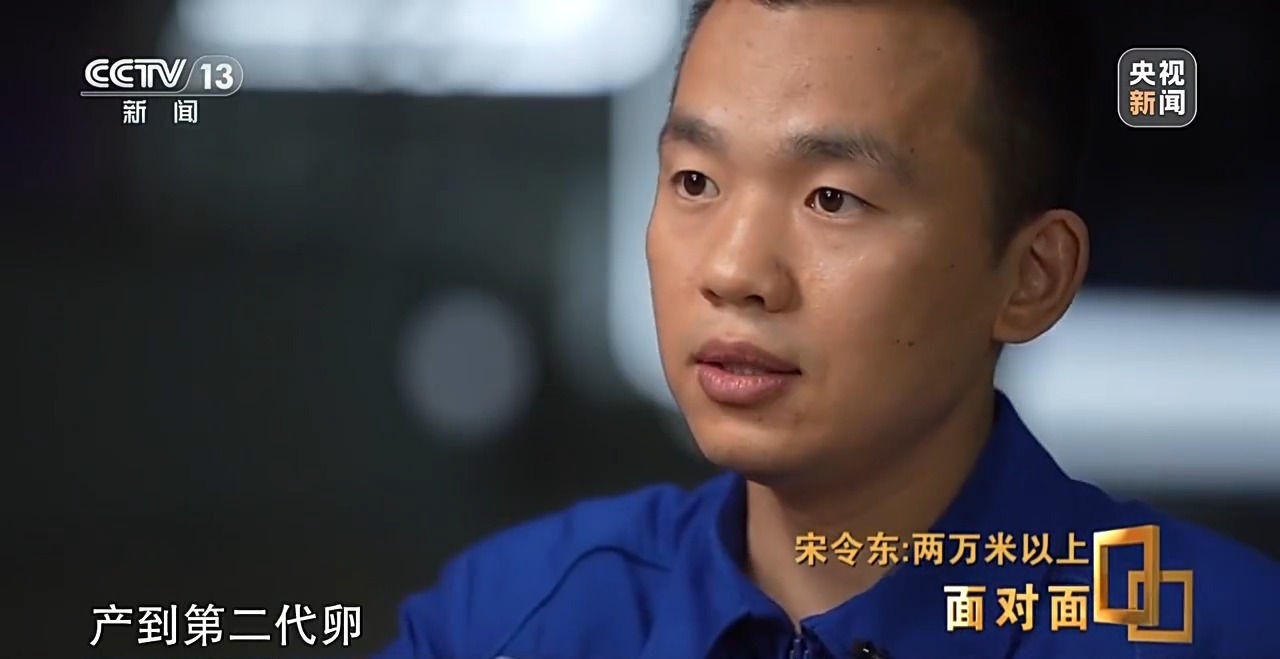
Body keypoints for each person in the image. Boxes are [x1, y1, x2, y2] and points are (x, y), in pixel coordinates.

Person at [374, 1, 1279, 657]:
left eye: (833, 198)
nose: (734, 270)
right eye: (695, 181)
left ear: (1033, 276)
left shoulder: (1216, 630)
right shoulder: (507, 618)